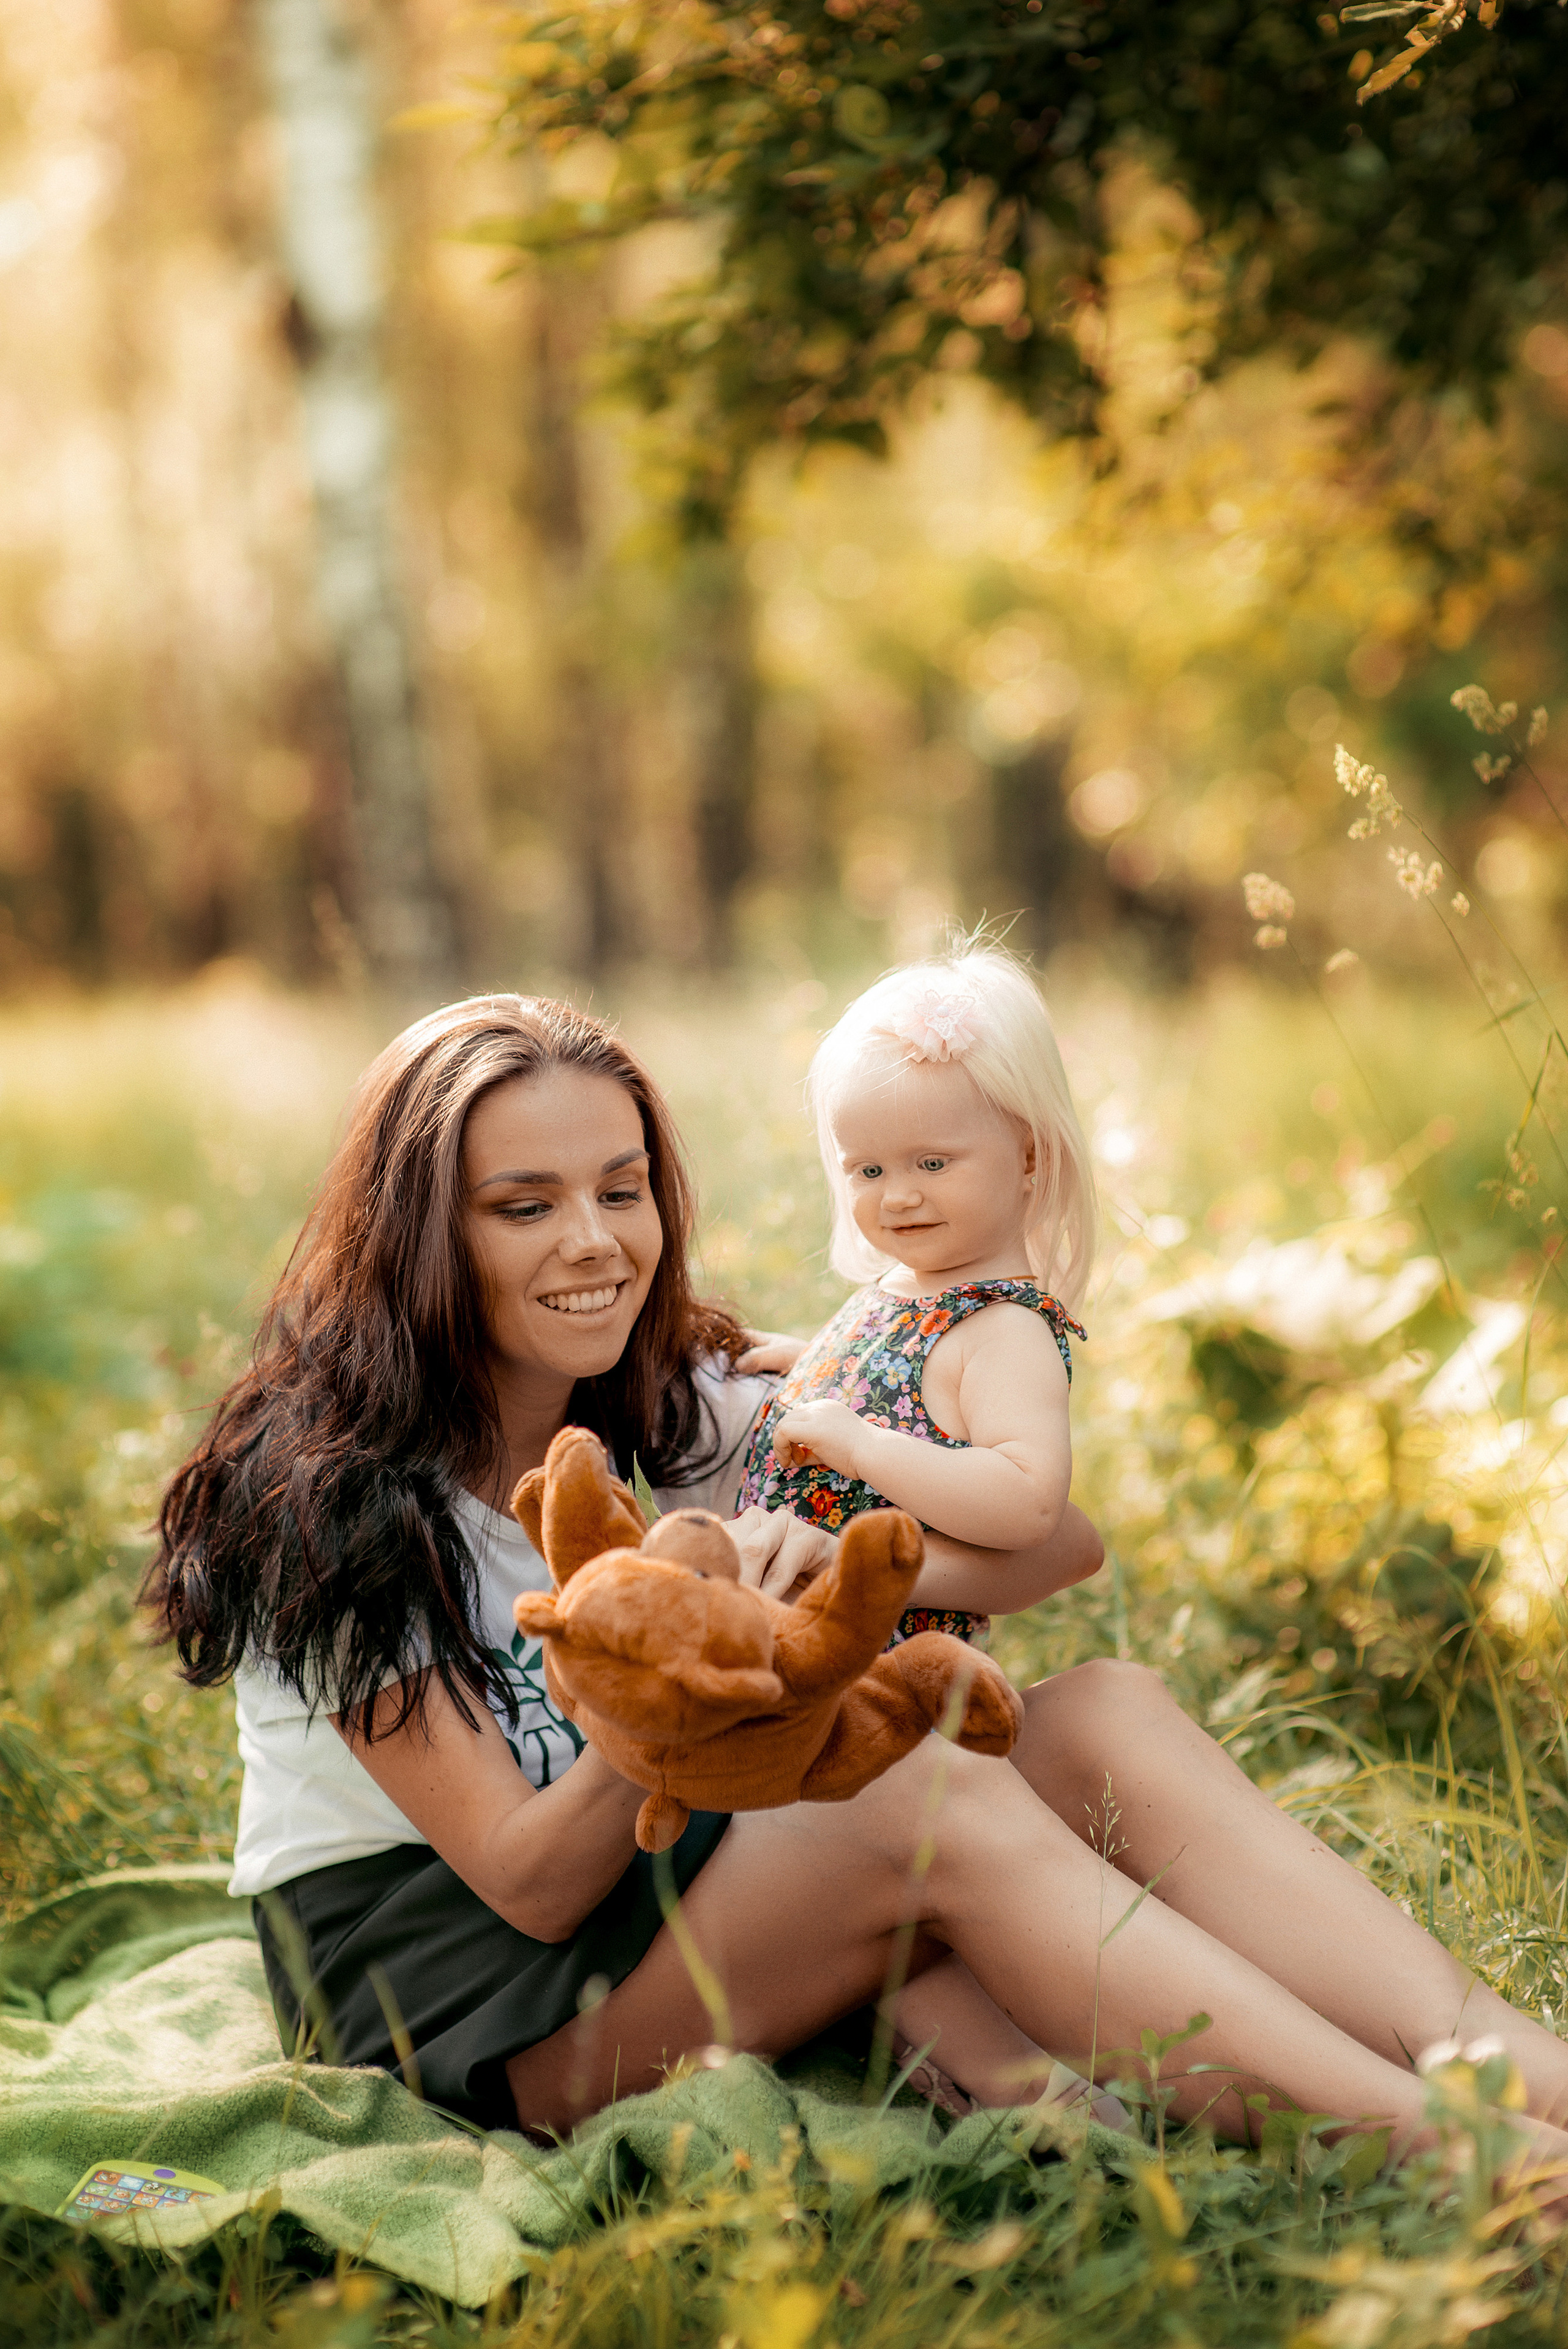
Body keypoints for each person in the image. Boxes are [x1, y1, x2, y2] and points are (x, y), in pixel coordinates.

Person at [145, 992, 1568, 2204]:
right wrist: (686, 1670)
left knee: (1098, 1709)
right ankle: (1451, 2158)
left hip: (673, 1880)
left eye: (620, 1188)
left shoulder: (668, 1400)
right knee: (911, 1789)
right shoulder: (320, 1502)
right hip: (464, 2004)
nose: (592, 1242)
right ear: (416, 1234)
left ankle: (1505, 2059)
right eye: (523, 1205)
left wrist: (838, 1558)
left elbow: (1057, 1546)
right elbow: (527, 1883)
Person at [741, 946, 1093, 1659]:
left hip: (894, 1674)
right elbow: (922, 1398)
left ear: (1028, 1156)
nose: (897, 1194)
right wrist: (818, 1362)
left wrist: (864, 1445)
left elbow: (1027, 1500)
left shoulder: (1003, 1326)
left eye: (932, 1163)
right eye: (867, 1170)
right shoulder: (908, 1289)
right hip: (811, 1646)